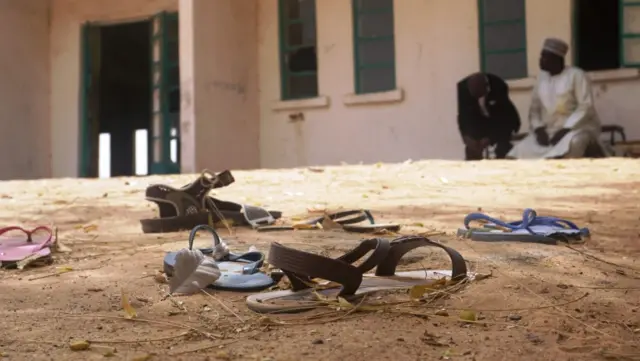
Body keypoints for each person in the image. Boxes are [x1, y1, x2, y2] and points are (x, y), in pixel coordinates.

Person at [507, 38, 606, 159]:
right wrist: (539, 130)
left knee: (574, 144)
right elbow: (534, 110)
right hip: (549, 131)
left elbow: (585, 106)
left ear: (557, 59)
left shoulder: (576, 75)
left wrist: (566, 129)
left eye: (545, 57)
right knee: (518, 151)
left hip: (578, 129)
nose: (540, 60)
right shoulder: (541, 79)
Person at [457, 72, 521, 160]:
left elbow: (504, 118)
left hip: (500, 120)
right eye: (474, 96)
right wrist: (466, 136)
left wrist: (491, 137)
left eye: (479, 95)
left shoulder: (499, 86)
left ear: (486, 88)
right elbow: (462, 116)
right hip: (478, 119)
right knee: (471, 148)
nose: (478, 99)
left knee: (503, 146)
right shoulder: (462, 89)